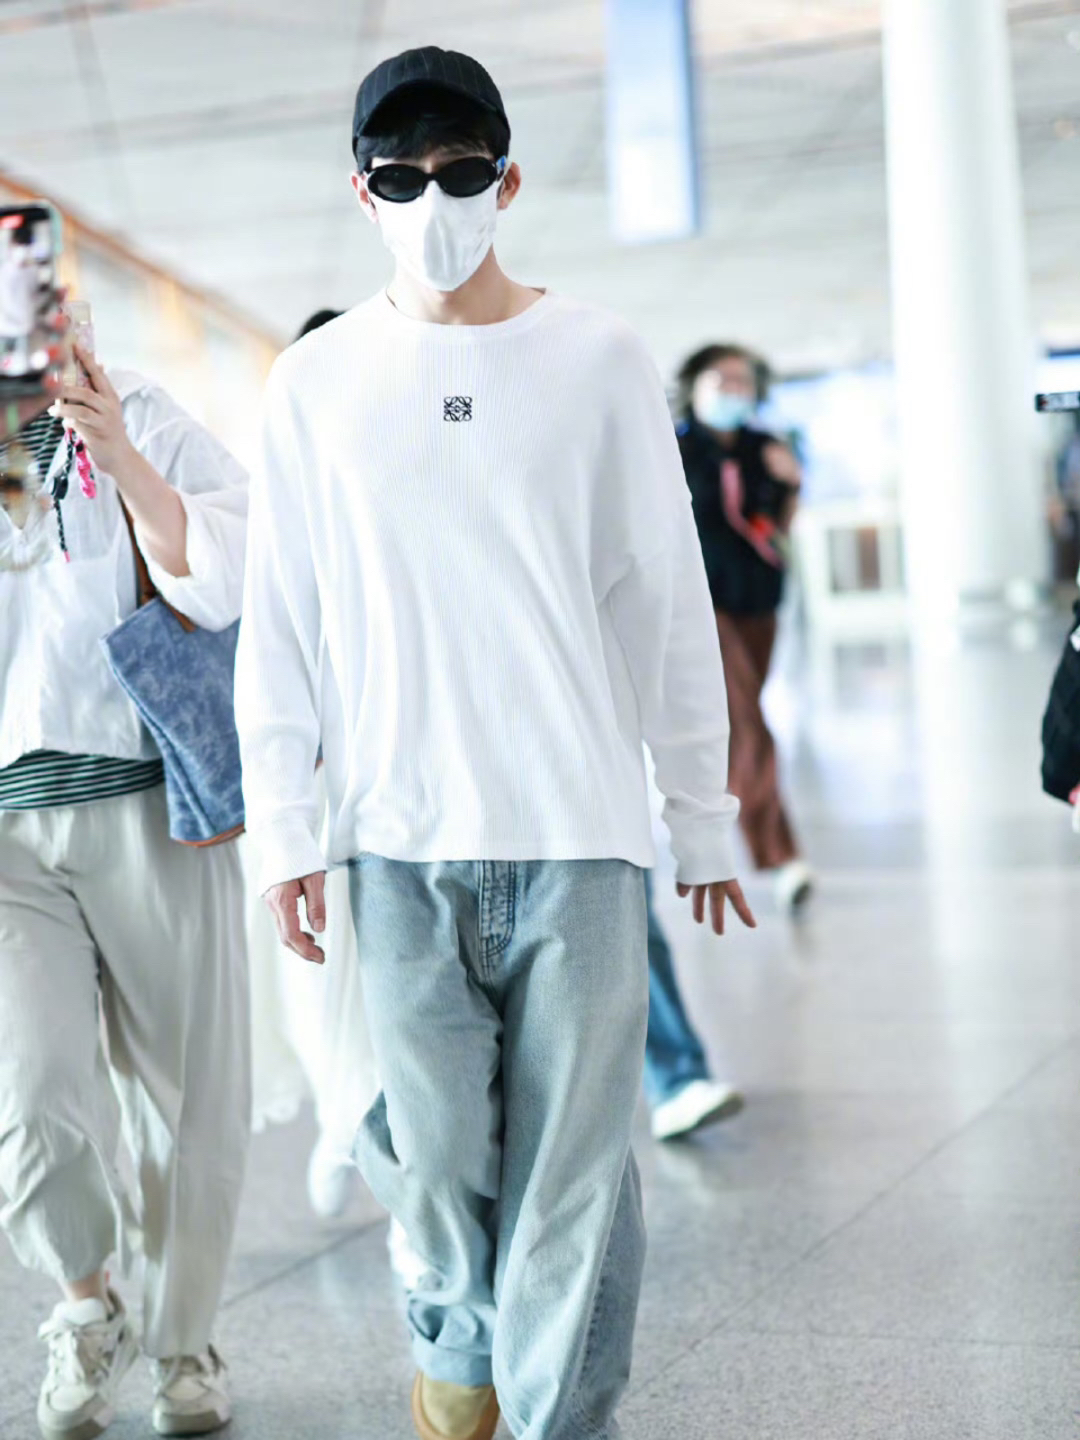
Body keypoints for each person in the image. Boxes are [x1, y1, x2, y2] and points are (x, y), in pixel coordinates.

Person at [236, 47, 754, 1440]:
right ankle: (459, 1336)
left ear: (509, 180)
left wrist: (700, 812)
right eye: (401, 179)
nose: (435, 202)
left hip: (578, 831)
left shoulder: (598, 358)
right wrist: (285, 829)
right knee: (432, 1152)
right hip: (395, 837)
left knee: (575, 1176)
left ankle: (554, 1417)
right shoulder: (317, 381)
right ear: (362, 193)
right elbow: (280, 620)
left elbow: (663, 598)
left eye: (462, 172)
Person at [0, 326, 250, 1440]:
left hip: (153, 802)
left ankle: (184, 1342)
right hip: (9, 836)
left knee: (187, 1101)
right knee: (29, 1093)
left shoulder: (134, 409)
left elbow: (233, 566)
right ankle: (86, 1306)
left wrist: (122, 456)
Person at [675, 342, 813, 914]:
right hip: (703, 604)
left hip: (759, 597)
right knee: (748, 723)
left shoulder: (766, 447)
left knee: (736, 721)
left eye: (743, 381)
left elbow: (780, 525)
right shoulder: (674, 448)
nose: (734, 390)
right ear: (695, 385)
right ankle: (781, 854)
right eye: (721, 379)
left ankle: (714, 830)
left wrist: (792, 484)